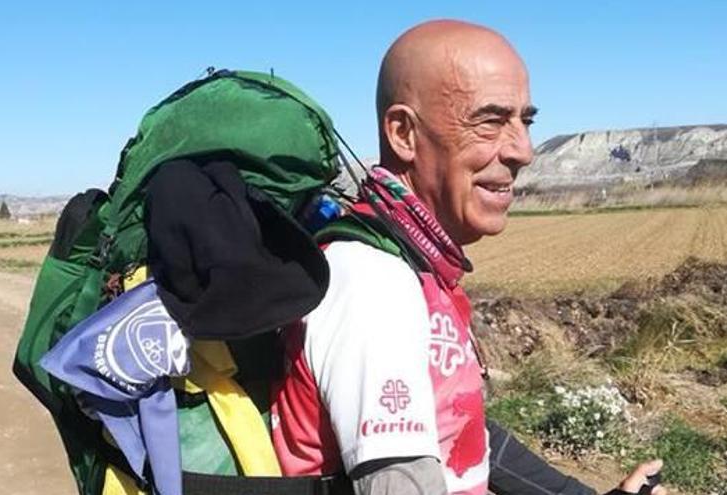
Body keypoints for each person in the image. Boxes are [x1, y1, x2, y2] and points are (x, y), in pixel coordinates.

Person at [271, 20, 666, 495]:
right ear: (403, 134)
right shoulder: (373, 281)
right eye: (491, 120)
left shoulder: (414, 263)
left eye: (525, 120)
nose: (524, 150)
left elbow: (465, 438)